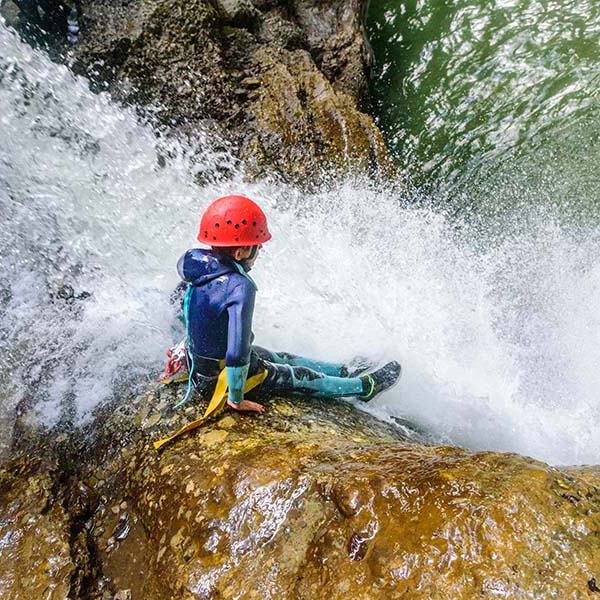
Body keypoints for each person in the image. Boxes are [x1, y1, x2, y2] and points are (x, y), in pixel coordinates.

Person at [155, 195, 400, 447]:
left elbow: (179, 307)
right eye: (257, 246)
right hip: (219, 379)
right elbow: (237, 354)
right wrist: (237, 399)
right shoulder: (240, 287)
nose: (260, 249)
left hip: (201, 366)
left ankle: (343, 370)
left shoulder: (193, 263)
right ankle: (363, 387)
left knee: (279, 356)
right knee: (297, 376)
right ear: (240, 251)